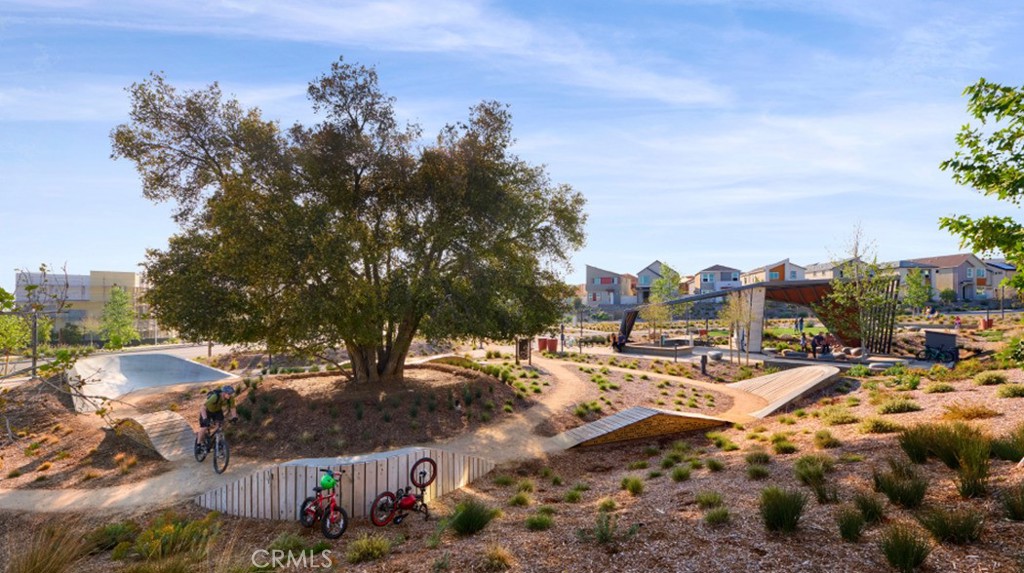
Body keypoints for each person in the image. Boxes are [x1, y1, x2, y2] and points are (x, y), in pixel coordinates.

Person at [196, 385, 238, 451]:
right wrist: (205, 418)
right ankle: (198, 444)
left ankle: (217, 442)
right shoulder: (215, 397)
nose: (230, 395)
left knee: (219, 426)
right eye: (229, 394)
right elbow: (202, 408)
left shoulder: (230, 398)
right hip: (207, 411)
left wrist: (234, 417)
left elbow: (232, 407)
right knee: (204, 427)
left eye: (231, 393)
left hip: (217, 411)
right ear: (224, 393)